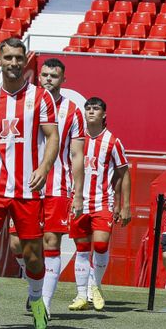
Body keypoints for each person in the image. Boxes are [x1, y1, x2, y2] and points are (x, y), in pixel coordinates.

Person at [0, 38, 60, 329]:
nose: (14, 63)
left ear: (25, 61)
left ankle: (36, 298)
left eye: (19, 58)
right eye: (8, 58)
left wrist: (44, 168)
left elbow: (53, 136)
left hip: (27, 189)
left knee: (32, 255)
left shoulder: (41, 97)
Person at [35, 57, 86, 315]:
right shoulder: (26, 103)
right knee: (17, 244)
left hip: (58, 185)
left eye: (54, 76)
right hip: (25, 184)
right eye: (45, 75)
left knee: (51, 240)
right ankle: (35, 287)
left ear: (63, 80)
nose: (48, 79)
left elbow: (77, 155)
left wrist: (79, 194)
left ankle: (43, 303)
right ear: (39, 76)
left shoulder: (73, 111)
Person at [68, 96, 130, 311]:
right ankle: (81, 295)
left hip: (103, 201)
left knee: (101, 245)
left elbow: (124, 173)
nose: (91, 111)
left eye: (96, 108)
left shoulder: (112, 141)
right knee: (82, 249)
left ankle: (95, 285)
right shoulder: (76, 138)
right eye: (88, 108)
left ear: (104, 114)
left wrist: (125, 206)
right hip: (78, 202)